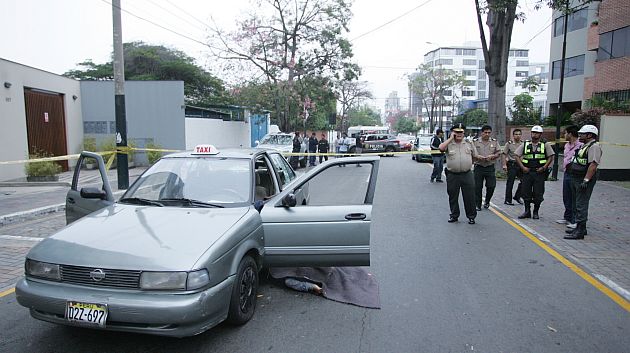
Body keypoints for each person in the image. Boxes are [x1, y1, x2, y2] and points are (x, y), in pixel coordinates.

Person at [564, 125, 603, 240]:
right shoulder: (585, 146)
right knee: (577, 203)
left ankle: (580, 231)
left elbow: (593, 164)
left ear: (589, 135)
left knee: (581, 204)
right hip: (577, 177)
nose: (579, 135)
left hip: (583, 179)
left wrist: (586, 180)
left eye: (582, 134)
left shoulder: (594, 147)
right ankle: (580, 228)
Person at [439, 123, 478, 225]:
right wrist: (450, 138)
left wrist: (469, 164)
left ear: (464, 133)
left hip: (467, 174)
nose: (459, 134)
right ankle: (454, 215)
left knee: (469, 196)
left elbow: (475, 155)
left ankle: (471, 216)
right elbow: (441, 148)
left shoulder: (469, 143)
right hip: (453, 174)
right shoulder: (449, 144)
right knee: (453, 196)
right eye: (457, 132)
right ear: (453, 132)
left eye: (461, 132)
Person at [515, 125, 555, 220]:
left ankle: (536, 212)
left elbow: (551, 156)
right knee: (526, 192)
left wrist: (544, 167)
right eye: (533, 132)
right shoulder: (525, 144)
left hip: (539, 173)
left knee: (538, 193)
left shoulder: (545, 145)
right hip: (527, 172)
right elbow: (516, 155)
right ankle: (527, 211)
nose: (534, 134)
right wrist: (522, 167)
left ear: (540, 134)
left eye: (536, 133)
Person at [557, 125, 582, 226]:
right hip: (567, 172)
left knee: (574, 197)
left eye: (565, 133)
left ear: (570, 134)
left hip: (575, 174)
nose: (564, 135)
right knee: (566, 195)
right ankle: (567, 217)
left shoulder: (581, 145)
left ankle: (575, 220)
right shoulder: (567, 145)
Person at [473, 125, 501, 210]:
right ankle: (478, 204)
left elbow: (499, 152)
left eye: (489, 133)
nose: (487, 134)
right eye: (485, 132)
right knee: (477, 187)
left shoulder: (494, 142)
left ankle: (487, 201)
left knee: (491, 186)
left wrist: (493, 156)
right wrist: (477, 156)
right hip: (479, 166)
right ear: (482, 133)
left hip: (489, 167)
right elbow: (471, 152)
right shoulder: (475, 142)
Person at [502, 129, 524, 205]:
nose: (517, 136)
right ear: (513, 135)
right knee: (510, 183)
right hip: (512, 164)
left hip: (521, 165)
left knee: (524, 181)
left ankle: (517, 196)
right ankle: (508, 200)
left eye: (519, 134)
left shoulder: (523, 144)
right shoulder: (509, 144)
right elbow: (504, 154)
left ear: (521, 135)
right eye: (516, 134)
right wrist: (504, 164)